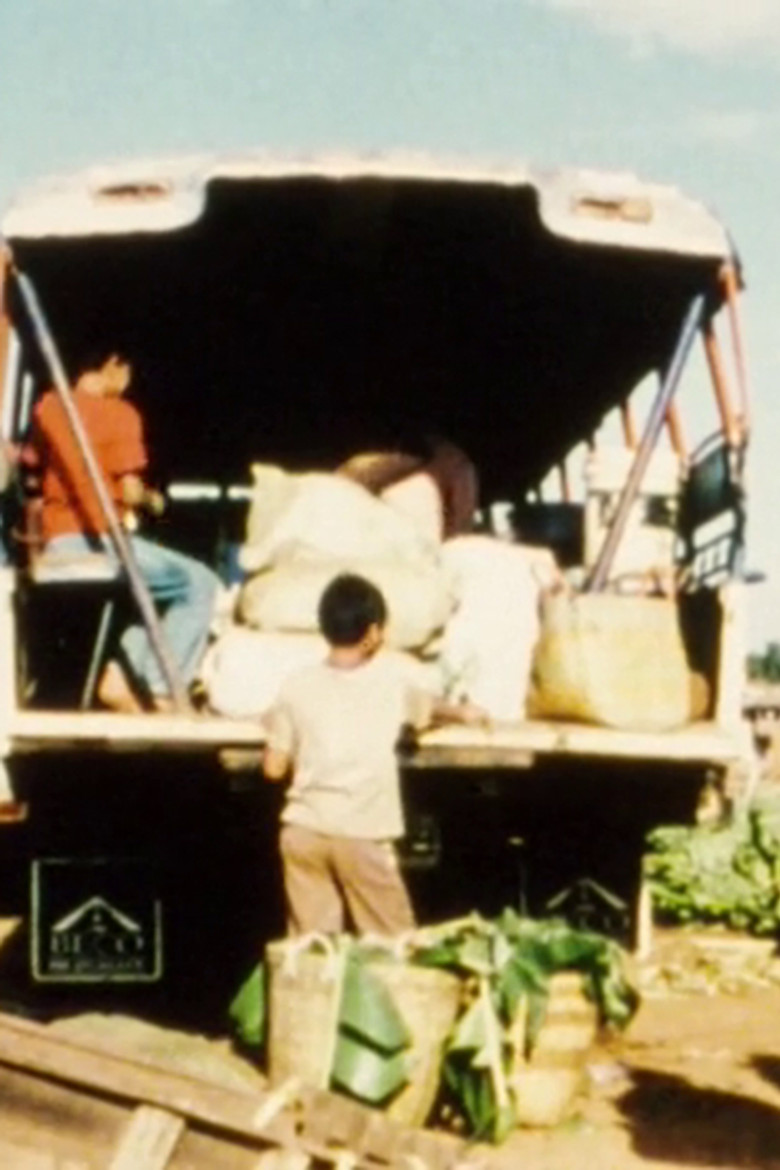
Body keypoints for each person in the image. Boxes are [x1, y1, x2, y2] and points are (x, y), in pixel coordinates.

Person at [262, 572, 487, 936]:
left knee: (312, 948)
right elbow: (429, 707)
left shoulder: (295, 686)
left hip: (303, 833)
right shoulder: (389, 684)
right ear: (373, 634)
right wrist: (464, 713)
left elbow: (273, 768)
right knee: (392, 944)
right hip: (362, 835)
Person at [30, 351, 219, 713]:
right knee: (199, 582)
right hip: (102, 541)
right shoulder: (120, 413)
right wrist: (155, 501)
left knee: (152, 587)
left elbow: (31, 465)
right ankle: (163, 689)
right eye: (129, 372)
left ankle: (120, 680)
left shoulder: (48, 407)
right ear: (113, 365)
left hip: (57, 544)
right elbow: (131, 492)